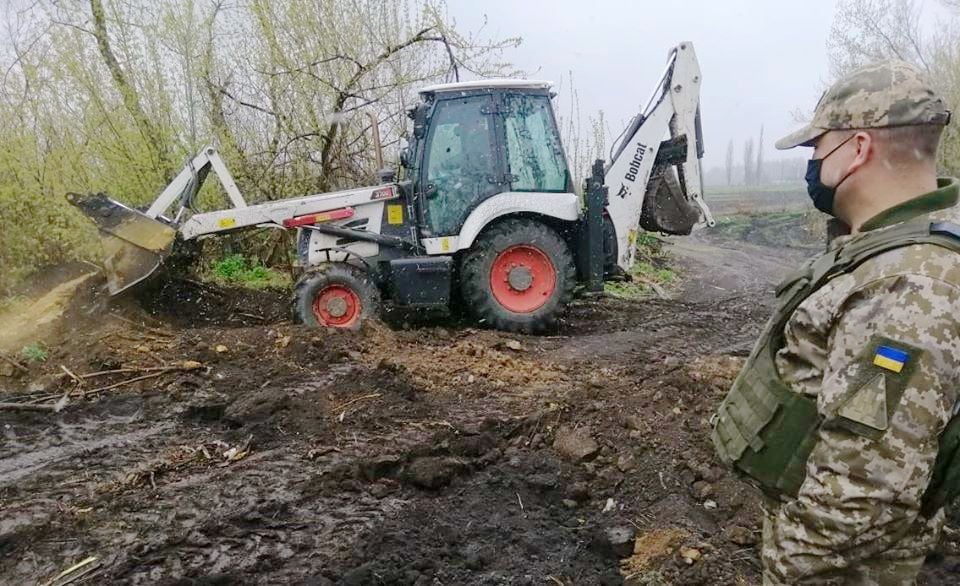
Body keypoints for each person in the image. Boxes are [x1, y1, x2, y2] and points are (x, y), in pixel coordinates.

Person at [711, 59, 960, 585]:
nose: (813, 165)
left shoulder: (907, 288)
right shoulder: (890, 258)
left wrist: (787, 572)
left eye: (818, 149)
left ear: (859, 149)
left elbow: (864, 489)